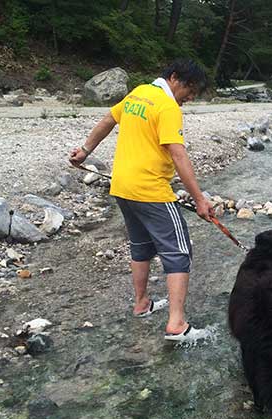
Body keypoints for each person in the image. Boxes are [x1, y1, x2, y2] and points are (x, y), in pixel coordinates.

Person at [69, 59, 215, 342]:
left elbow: (107, 120)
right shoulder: (167, 105)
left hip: (122, 187)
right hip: (151, 191)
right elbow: (178, 154)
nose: (192, 96)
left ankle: (141, 304)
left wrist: (85, 151)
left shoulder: (137, 93)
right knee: (179, 250)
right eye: (191, 89)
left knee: (141, 245)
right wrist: (199, 199)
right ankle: (176, 324)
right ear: (174, 78)